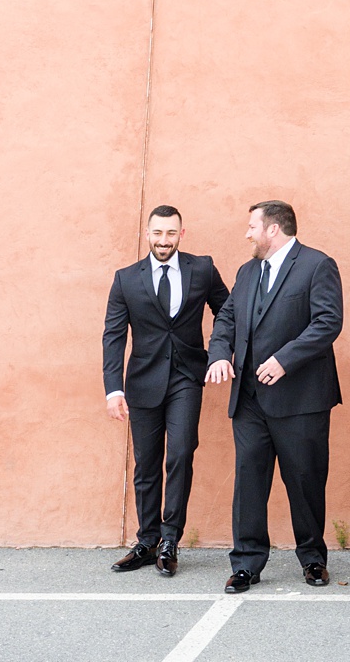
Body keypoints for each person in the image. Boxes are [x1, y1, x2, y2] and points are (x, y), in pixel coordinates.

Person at [206, 200, 344, 591]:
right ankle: (247, 562)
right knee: (249, 480)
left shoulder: (318, 265)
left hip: (301, 400)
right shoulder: (247, 272)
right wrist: (219, 355)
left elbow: (328, 322)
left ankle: (313, 559)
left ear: (273, 229)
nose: (247, 234)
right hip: (249, 400)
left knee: (305, 480)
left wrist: (284, 360)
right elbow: (227, 318)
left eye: (253, 227)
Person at [103, 206, 227, 576]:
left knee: (181, 453)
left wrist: (219, 354)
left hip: (187, 376)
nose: (163, 241)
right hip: (142, 381)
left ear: (181, 234)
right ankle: (146, 541)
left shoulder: (202, 268)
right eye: (157, 233)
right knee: (146, 463)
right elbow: (113, 336)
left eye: (171, 233)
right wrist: (113, 390)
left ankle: (170, 539)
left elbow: (228, 312)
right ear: (147, 233)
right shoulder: (126, 279)